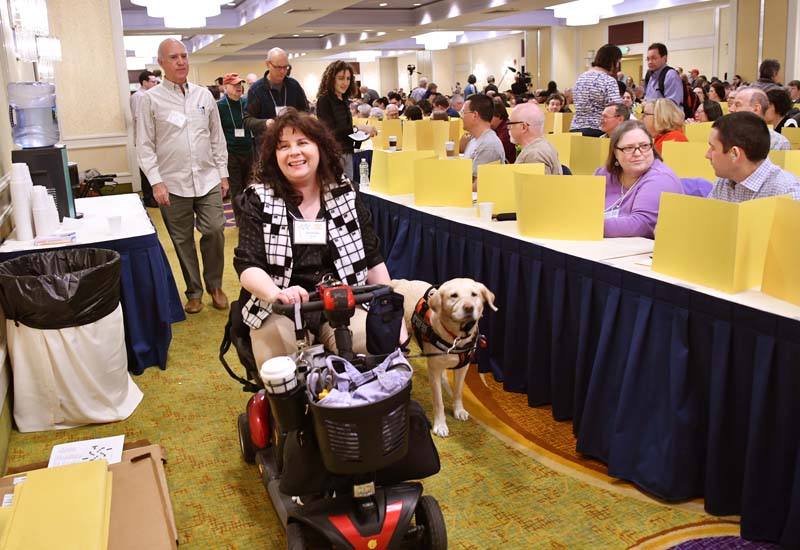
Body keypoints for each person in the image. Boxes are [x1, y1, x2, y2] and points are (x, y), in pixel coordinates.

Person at [234, 111, 404, 363]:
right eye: (283, 147)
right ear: (273, 156)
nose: (294, 152)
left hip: (342, 300)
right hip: (278, 305)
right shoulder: (258, 199)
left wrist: (389, 314)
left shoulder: (346, 194)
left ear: (320, 148)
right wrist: (275, 294)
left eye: (303, 143)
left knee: (372, 352)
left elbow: (373, 259)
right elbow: (247, 266)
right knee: (281, 370)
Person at [137, 38, 229, 314]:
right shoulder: (150, 100)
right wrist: (156, 181)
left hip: (208, 177)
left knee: (214, 229)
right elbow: (144, 145)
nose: (180, 61)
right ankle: (194, 291)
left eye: (184, 56)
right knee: (182, 240)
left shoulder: (204, 96)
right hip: (172, 182)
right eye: (173, 57)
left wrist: (223, 173)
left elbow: (217, 137)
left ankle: (214, 284)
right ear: (161, 64)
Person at [594, 119, 683, 238]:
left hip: (639, 253)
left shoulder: (661, 178)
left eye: (644, 146)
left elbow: (641, 225)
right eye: (629, 148)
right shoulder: (604, 174)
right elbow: (582, 206)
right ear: (615, 152)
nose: (637, 153)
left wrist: (586, 225)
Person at [706, 112, 800, 202]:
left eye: (713, 148)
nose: (707, 155)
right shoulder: (725, 180)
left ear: (734, 154)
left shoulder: (788, 192)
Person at [316, 61, 376, 181]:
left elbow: (346, 130)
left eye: (348, 79)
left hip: (347, 152)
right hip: (333, 155)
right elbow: (331, 131)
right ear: (331, 79)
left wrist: (362, 135)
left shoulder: (344, 100)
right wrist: (358, 128)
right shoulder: (324, 100)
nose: (345, 83)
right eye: (341, 78)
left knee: (349, 191)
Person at [244, 47, 309, 142]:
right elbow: (247, 120)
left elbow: (305, 110)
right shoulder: (256, 89)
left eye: (285, 67)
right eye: (278, 67)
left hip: (292, 139)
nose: (282, 71)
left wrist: (297, 118)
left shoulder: (294, 85)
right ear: (267, 64)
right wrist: (265, 123)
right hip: (267, 143)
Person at [217, 73, 254, 225]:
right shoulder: (220, 106)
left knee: (251, 187)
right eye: (235, 85)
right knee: (236, 188)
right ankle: (240, 220)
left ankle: (252, 217)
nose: (239, 87)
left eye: (240, 84)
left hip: (248, 150)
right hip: (231, 153)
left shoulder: (246, 103)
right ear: (226, 87)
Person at [569, 44, 623, 137]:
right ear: (612, 61)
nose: (618, 66)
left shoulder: (581, 78)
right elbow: (616, 108)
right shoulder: (608, 80)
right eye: (618, 62)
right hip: (597, 130)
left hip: (575, 129)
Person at [459, 94, 505, 186]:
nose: (461, 117)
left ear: (475, 115)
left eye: (464, 112)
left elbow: (478, 185)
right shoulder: (475, 138)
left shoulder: (488, 145)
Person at [130, 69, 159, 208]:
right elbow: (139, 118)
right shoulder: (139, 96)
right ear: (144, 82)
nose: (155, 84)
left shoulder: (149, 95)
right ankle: (148, 198)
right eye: (152, 81)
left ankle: (153, 196)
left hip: (154, 139)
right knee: (146, 168)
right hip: (144, 139)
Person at [509, 102, 562, 175]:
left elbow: (535, 186)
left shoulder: (533, 155)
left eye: (510, 124)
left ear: (523, 127)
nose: (509, 128)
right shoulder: (544, 145)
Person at [644, 43, 684, 107]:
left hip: (668, 116)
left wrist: (650, 106)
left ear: (665, 58)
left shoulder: (671, 75)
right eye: (648, 59)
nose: (650, 62)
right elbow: (647, 98)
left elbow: (672, 105)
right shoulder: (649, 76)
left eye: (654, 58)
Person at [490, 100, 516, 164]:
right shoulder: (495, 128)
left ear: (498, 116)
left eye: (489, 117)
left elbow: (495, 152)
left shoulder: (507, 130)